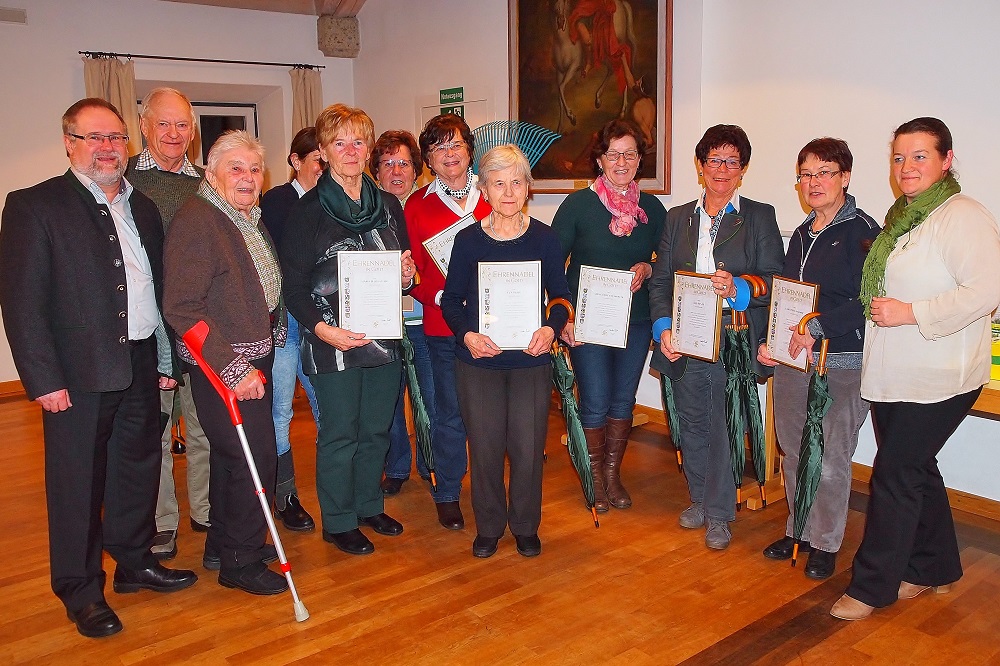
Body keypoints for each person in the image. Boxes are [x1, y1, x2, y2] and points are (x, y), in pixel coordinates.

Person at [0, 98, 197, 638]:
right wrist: (43, 380)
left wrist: (161, 359)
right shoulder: (34, 206)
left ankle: (135, 564)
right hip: (76, 373)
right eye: (94, 137)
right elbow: (21, 303)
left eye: (114, 137)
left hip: (136, 362)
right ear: (69, 142)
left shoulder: (145, 208)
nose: (107, 147)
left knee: (135, 472)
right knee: (76, 486)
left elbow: (155, 291)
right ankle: (81, 590)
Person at [831, 118, 1000, 620]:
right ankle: (935, 567)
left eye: (920, 156)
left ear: (946, 160)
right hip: (896, 371)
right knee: (916, 468)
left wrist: (912, 313)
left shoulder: (962, 215)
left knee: (895, 473)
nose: (907, 167)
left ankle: (871, 587)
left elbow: (988, 290)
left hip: (940, 374)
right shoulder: (903, 217)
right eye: (900, 158)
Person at [280, 104, 416, 556]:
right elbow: (293, 286)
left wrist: (406, 275)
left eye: (359, 141)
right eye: (340, 143)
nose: (351, 150)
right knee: (341, 432)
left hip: (382, 337)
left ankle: (367, 504)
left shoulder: (389, 204)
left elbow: (403, 267)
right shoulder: (308, 211)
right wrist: (323, 330)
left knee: (377, 428)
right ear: (322, 151)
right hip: (330, 343)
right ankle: (338, 520)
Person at [648, 124, 784, 550]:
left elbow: (774, 280)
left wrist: (739, 288)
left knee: (726, 423)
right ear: (700, 166)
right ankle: (700, 498)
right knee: (690, 419)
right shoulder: (676, 218)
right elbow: (661, 282)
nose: (722, 169)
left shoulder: (759, 215)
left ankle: (721, 514)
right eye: (714, 160)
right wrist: (661, 328)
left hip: (734, 336)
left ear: (742, 170)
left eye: (732, 161)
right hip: (685, 333)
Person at [164, 130, 287, 596]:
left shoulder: (244, 217)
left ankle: (222, 543)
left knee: (230, 460)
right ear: (210, 173)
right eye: (236, 168)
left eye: (254, 169)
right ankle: (241, 560)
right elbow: (181, 307)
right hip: (225, 368)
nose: (248, 177)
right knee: (253, 461)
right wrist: (233, 370)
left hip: (255, 359)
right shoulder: (199, 220)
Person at [757, 138, 879, 580]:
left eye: (824, 172)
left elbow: (871, 301)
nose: (814, 182)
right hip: (796, 358)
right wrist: (772, 339)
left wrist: (818, 327)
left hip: (843, 362)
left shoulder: (864, 232)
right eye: (806, 174)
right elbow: (790, 298)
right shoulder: (803, 234)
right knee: (792, 450)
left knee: (829, 456)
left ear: (845, 178)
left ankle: (825, 541)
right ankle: (799, 531)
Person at [442, 144, 572, 559]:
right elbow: (451, 301)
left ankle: (525, 525)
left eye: (517, 182)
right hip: (479, 361)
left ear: (528, 188)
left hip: (530, 360)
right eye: (499, 183)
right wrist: (466, 335)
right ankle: (490, 526)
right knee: (484, 446)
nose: (509, 191)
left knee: (528, 447)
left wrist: (551, 329)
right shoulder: (467, 241)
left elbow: (562, 297)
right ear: (484, 189)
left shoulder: (545, 239)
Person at [552, 119, 665, 513]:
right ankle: (594, 477)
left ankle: (613, 475)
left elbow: (663, 264)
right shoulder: (578, 205)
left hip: (635, 321)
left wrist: (648, 269)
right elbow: (553, 266)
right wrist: (562, 318)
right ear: (600, 160)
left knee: (622, 400)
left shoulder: (651, 209)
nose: (621, 161)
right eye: (613, 153)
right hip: (587, 322)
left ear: (639, 161)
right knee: (595, 400)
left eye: (629, 154)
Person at [126, 87, 212, 560]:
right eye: (164, 124)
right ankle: (162, 522)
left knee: (202, 426)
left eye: (182, 125)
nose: (174, 134)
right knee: (156, 433)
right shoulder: (123, 183)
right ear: (144, 126)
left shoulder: (207, 182)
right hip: (147, 328)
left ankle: (205, 508)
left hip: (199, 327)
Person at [405, 114, 493, 530]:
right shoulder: (417, 206)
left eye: (456, 144)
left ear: (469, 149)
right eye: (439, 148)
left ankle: (490, 491)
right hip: (442, 327)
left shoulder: (493, 192)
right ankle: (448, 492)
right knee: (450, 412)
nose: (450, 154)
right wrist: (442, 298)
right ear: (428, 160)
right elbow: (413, 275)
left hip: (496, 326)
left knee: (492, 414)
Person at [259, 127, 324, 532]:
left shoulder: (336, 201)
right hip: (284, 325)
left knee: (328, 410)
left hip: (323, 325)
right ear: (296, 161)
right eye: (318, 159)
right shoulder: (274, 202)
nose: (324, 167)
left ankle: (335, 490)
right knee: (280, 411)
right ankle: (285, 496)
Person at [370, 130, 433, 495]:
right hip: (381, 322)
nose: (396, 171)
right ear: (376, 170)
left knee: (428, 394)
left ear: (416, 169)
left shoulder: (425, 208)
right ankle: (396, 467)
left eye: (404, 163)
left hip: (423, 319)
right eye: (387, 163)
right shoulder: (366, 208)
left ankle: (429, 462)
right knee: (389, 400)